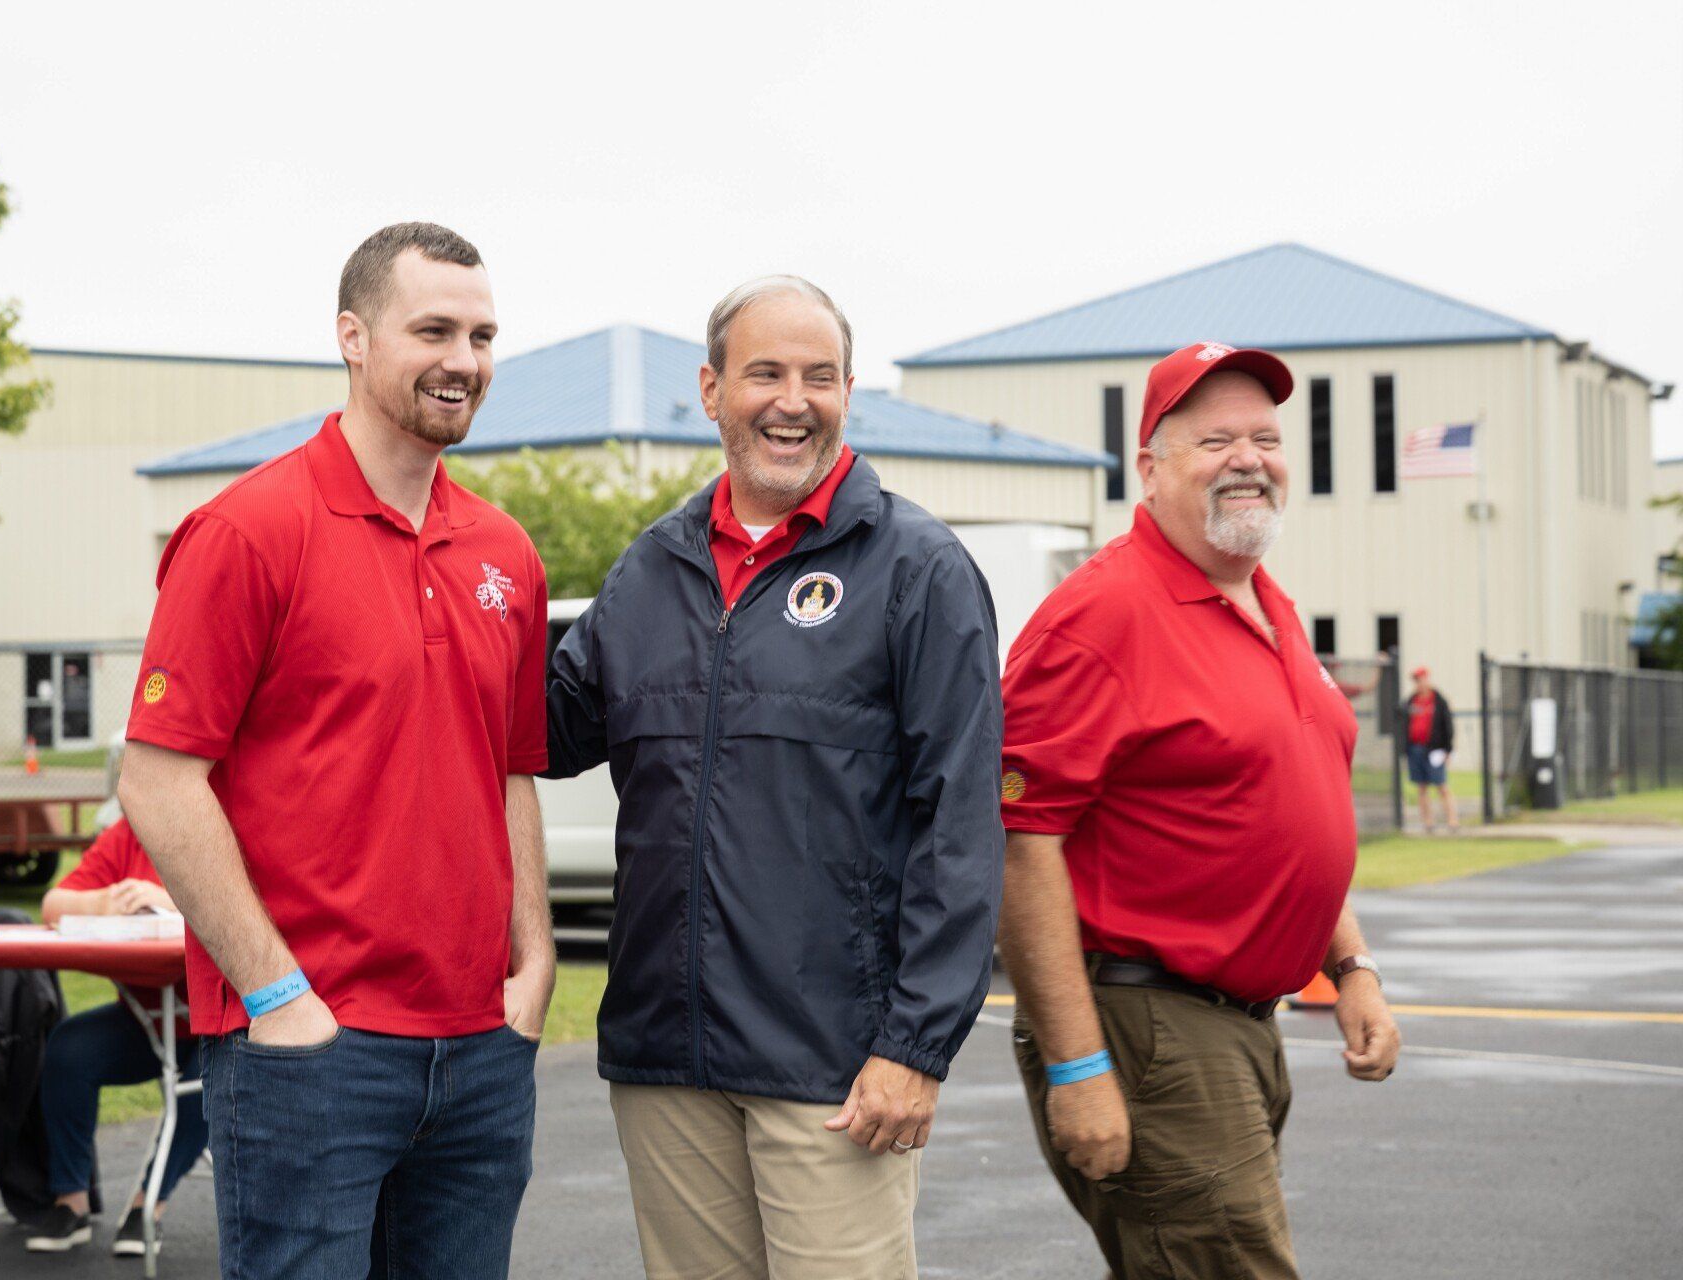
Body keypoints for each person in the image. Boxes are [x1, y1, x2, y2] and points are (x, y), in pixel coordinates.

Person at [117, 222, 553, 1280]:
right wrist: (278, 993)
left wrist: (533, 961)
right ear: (353, 337)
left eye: (484, 334)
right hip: (311, 1052)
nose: (464, 359)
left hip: (480, 1049)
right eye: (434, 329)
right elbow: (158, 779)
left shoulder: (505, 551)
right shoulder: (248, 530)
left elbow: (510, 768)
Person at [546, 276, 1003, 1279]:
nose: (791, 399)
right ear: (711, 389)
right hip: (668, 1060)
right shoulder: (654, 567)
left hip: (835, 1069)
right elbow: (540, 726)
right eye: (764, 372)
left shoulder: (919, 569)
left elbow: (959, 829)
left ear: (848, 392)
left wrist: (915, 1046)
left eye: (819, 376)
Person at [998, 342, 1402, 1279]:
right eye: (1214, 439)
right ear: (1150, 467)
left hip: (1239, 1027)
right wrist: (1076, 1066)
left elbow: (1290, 807)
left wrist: (1353, 967)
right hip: (1149, 1026)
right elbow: (1021, 844)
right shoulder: (1101, 617)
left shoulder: (1263, 599)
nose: (1248, 458)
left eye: (1265, 437)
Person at [24, 818, 205, 1258]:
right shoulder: (129, 833)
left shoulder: (226, 819)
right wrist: (104, 901)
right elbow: (53, 904)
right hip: (145, 1019)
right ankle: (72, 1202)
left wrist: (168, 901)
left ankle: (148, 1206)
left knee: (213, 1080)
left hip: (216, 1021)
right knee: (69, 1049)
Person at [1405, 666, 1459, 833]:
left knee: (1441, 786)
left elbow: (1448, 725)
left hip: (1435, 750)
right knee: (1422, 787)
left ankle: (1452, 821)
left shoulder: (1438, 700)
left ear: (1427, 679)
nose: (1419, 683)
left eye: (1421, 679)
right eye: (1416, 680)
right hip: (1416, 748)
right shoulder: (1411, 701)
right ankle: (1428, 822)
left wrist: (1448, 750)